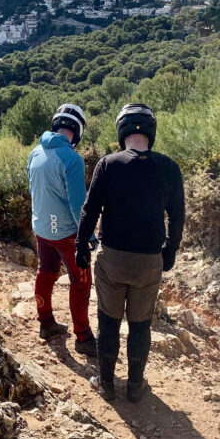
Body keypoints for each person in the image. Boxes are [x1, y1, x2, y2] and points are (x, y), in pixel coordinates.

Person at [75, 103, 185, 402]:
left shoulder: (109, 164)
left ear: (121, 130)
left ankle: (107, 384)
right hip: (149, 261)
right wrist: (170, 251)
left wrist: (81, 246)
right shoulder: (169, 167)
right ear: (152, 131)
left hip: (113, 259)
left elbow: (90, 209)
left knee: (108, 322)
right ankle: (136, 386)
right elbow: (177, 217)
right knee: (140, 325)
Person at [27, 103, 97, 357]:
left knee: (45, 273)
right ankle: (84, 337)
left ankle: (46, 323)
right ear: (77, 130)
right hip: (66, 234)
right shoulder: (72, 159)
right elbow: (79, 203)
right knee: (81, 282)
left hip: (41, 228)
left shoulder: (34, 152)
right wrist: (89, 236)